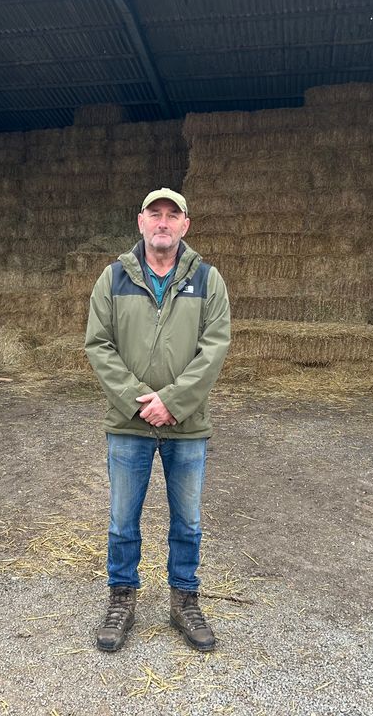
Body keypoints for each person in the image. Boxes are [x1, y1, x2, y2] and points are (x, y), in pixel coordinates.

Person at [84, 187, 231, 652]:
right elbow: (98, 345)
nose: (163, 222)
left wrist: (173, 401)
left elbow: (215, 349)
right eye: (155, 214)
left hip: (186, 427)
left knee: (186, 522)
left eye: (173, 215)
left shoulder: (209, 280)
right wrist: (138, 400)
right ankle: (121, 597)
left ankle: (183, 598)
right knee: (122, 521)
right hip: (129, 424)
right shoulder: (112, 279)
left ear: (185, 225)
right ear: (141, 222)